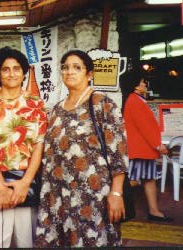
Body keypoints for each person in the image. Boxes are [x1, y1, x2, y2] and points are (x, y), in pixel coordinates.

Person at [35, 49, 128, 247]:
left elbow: (118, 152)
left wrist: (117, 193)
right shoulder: (56, 110)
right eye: (65, 68)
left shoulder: (102, 104)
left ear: (89, 74)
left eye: (77, 67)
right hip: (57, 196)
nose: (70, 72)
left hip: (92, 197)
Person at [0, 46, 47, 248]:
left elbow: (39, 146)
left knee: (27, 243)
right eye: (6, 69)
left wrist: (24, 183)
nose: (12, 73)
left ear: (24, 72)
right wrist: (0, 187)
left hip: (26, 184)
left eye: (17, 68)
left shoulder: (36, 104)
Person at [121, 69, 172, 222]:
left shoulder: (135, 99)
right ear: (136, 86)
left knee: (149, 178)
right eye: (143, 81)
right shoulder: (135, 101)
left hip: (143, 149)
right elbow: (145, 127)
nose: (145, 84)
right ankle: (111, 197)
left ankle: (154, 211)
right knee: (134, 180)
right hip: (141, 149)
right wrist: (158, 145)